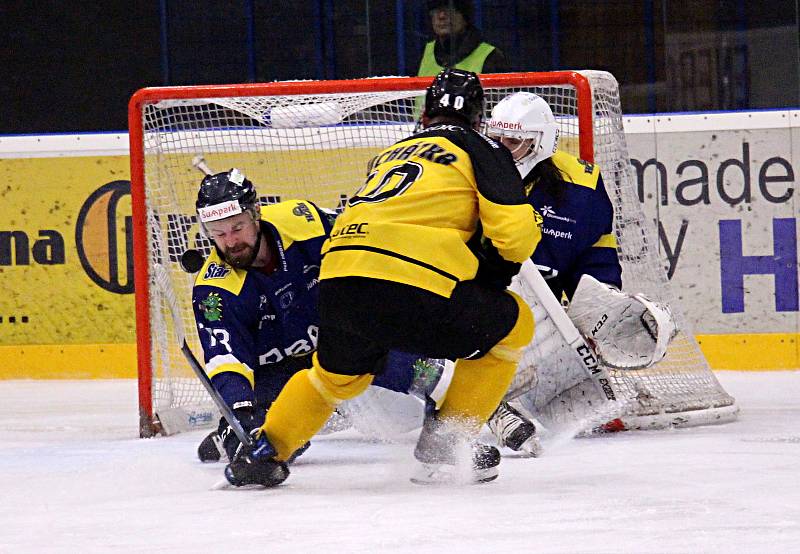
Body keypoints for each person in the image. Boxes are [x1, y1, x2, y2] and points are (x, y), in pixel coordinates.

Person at [223, 68, 540, 488]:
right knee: (514, 323)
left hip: (338, 281)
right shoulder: (481, 148)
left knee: (333, 377)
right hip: (414, 285)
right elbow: (514, 236)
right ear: (480, 119)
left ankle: (264, 451)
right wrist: (493, 277)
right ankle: (447, 444)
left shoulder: (394, 152)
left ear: (424, 115)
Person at [191, 168, 428, 465]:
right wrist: (241, 414)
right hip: (282, 379)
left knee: (419, 362)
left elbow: (365, 254)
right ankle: (231, 433)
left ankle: (479, 413)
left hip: (341, 348)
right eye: (218, 233)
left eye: (237, 228)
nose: (230, 241)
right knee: (262, 440)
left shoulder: (305, 222)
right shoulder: (215, 290)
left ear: (256, 214)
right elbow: (226, 361)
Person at [418, 0, 510, 76]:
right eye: (436, 10)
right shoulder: (423, 54)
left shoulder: (491, 58)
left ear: (465, 16)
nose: (441, 16)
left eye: (449, 9)